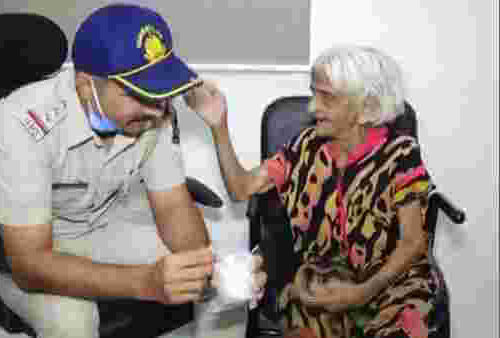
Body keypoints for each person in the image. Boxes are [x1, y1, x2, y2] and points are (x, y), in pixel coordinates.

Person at [0, 4, 266, 338]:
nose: (156, 110)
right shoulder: (20, 121)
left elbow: (173, 206)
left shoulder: (156, 113)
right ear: (87, 86)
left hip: (104, 226)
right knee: (72, 322)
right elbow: (29, 263)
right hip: (34, 248)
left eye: (160, 93)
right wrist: (146, 283)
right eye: (139, 94)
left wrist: (208, 271)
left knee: (220, 284)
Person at [187, 45, 448, 338]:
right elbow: (241, 188)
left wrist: (362, 292)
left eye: (327, 97)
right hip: (323, 282)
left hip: (391, 281)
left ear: (367, 108)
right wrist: (218, 126)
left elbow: (413, 243)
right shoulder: (306, 146)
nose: (313, 107)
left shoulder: (401, 155)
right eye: (314, 93)